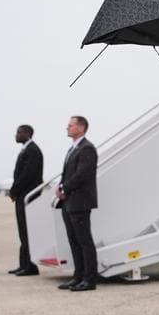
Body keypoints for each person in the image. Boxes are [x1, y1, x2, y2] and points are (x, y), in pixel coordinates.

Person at [55, 115, 99, 291]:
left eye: (71, 125)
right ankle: (78, 276)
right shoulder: (73, 149)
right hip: (69, 202)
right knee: (74, 241)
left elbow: (82, 175)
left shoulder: (87, 149)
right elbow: (68, 174)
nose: (67, 128)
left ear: (81, 128)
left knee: (84, 242)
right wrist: (61, 187)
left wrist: (64, 188)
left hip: (80, 202)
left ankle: (89, 280)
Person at [8, 124, 44, 276]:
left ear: (27, 134)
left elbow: (27, 175)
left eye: (19, 132)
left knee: (27, 231)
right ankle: (24, 264)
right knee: (23, 232)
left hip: (27, 196)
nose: (16, 135)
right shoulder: (26, 150)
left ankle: (30, 266)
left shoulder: (33, 151)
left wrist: (14, 190)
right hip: (22, 195)